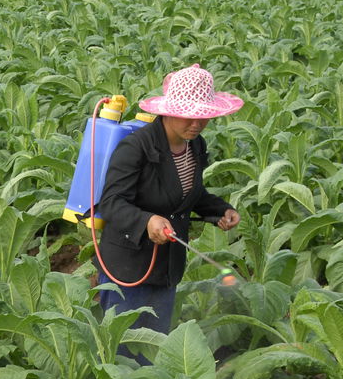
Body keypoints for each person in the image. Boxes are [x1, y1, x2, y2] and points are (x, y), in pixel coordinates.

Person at [95, 64, 242, 339]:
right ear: (168, 111)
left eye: (203, 116)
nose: (196, 124)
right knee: (124, 349)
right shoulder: (136, 148)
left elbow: (187, 194)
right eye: (188, 116)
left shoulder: (195, 144)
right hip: (128, 269)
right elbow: (112, 202)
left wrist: (221, 209)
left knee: (155, 345)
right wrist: (146, 220)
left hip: (166, 267)